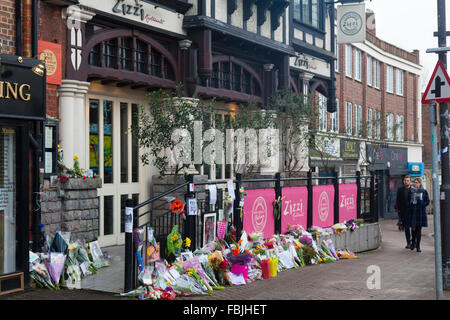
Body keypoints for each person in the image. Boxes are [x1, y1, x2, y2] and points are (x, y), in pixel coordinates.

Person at [408, 177, 430, 252]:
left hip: (420, 212)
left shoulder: (424, 191)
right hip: (413, 211)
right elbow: (408, 200)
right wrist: (410, 204)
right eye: (414, 182)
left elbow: (427, 201)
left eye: (417, 182)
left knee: (419, 230)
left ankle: (418, 246)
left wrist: (422, 204)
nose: (415, 183)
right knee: (413, 229)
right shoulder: (411, 191)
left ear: (420, 183)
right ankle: (413, 242)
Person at [395, 175, 412, 248]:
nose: (406, 182)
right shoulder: (400, 190)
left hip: (412, 212)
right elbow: (398, 200)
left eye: (407, 180)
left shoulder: (413, 190)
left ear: (410, 181)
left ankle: (413, 242)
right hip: (403, 212)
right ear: (403, 181)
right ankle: (408, 243)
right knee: (407, 228)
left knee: (414, 228)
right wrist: (399, 210)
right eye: (405, 180)